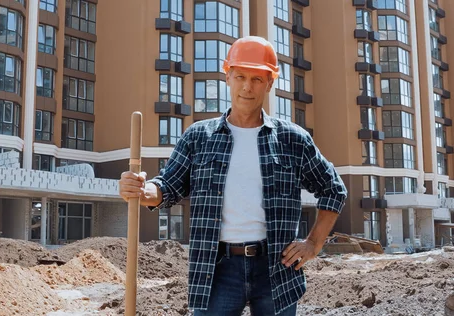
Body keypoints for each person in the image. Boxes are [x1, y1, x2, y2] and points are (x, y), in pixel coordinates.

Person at [119, 36, 347, 316]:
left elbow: (333, 188)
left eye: (257, 79)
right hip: (217, 270)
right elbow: (168, 186)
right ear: (227, 76)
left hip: (277, 268)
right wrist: (143, 191)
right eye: (240, 76)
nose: (247, 87)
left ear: (270, 83)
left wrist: (313, 243)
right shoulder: (198, 137)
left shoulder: (293, 140)